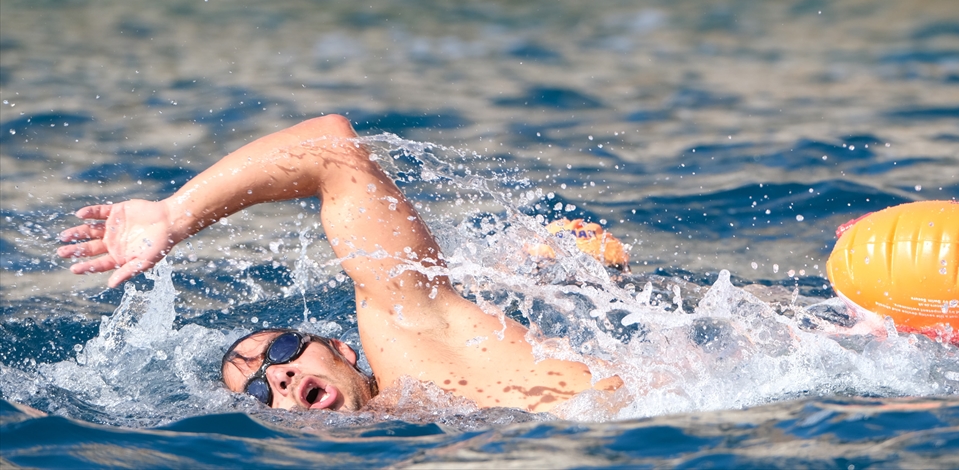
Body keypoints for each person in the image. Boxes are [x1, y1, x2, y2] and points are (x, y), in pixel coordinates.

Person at [57, 115, 622, 413]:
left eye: (281, 351)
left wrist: (174, 215)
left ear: (344, 350)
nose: (276, 374)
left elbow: (332, 149)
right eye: (258, 389)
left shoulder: (413, 339)